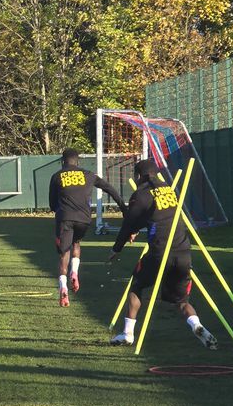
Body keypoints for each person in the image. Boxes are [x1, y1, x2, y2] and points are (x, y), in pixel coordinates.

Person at [107, 159, 217, 349]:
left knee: (137, 285)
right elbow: (156, 217)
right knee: (182, 301)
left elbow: (129, 223)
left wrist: (116, 249)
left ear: (138, 176)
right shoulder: (168, 189)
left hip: (160, 252)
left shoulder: (141, 193)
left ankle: (127, 334)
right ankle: (197, 325)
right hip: (183, 251)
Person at [47, 148, 126, 307]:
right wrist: (124, 208)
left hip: (65, 218)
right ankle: (74, 272)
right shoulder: (89, 174)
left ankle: (63, 287)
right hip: (84, 219)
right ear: (78, 161)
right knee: (76, 243)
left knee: (64, 254)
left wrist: (60, 212)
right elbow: (109, 189)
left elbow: (52, 204)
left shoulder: (56, 176)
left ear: (63, 162)